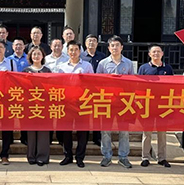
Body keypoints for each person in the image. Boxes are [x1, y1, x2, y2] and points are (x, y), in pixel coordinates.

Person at [97, 36, 134, 168]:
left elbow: (132, 83)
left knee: (124, 131)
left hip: (124, 102)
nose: (115, 48)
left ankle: (123, 157)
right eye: (112, 45)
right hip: (107, 102)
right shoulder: (102, 64)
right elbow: (97, 83)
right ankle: (106, 156)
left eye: (117, 45)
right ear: (108, 48)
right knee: (105, 130)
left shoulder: (128, 63)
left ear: (122, 47)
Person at [56, 40, 94, 168]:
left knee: (82, 131)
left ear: (80, 51)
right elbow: (59, 85)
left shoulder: (87, 66)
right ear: (67, 51)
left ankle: (80, 157)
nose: (73, 52)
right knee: (66, 130)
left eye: (76, 49)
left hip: (82, 103)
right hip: (67, 102)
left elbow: (92, 84)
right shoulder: (61, 67)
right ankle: (67, 155)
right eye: (71, 50)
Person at [138, 44, 174, 168]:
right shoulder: (143, 68)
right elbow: (139, 85)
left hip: (163, 105)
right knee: (147, 133)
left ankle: (162, 158)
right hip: (148, 104)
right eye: (153, 52)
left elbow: (173, 85)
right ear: (149, 54)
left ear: (162, 54)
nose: (156, 54)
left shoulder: (168, 68)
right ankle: (145, 157)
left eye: (158, 51)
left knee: (162, 133)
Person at [23, 46, 51, 166]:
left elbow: (51, 87)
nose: (36, 56)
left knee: (43, 132)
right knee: (31, 132)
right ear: (30, 56)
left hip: (44, 105)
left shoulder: (47, 71)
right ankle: (31, 156)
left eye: (39, 54)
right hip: (30, 105)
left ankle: (42, 157)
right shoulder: (25, 71)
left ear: (43, 56)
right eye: (34, 54)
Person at [81, 34, 107, 146]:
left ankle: (97, 137)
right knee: (85, 113)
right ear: (85, 43)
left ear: (97, 43)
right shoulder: (81, 56)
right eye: (89, 41)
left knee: (98, 113)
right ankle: (84, 137)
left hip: (98, 89)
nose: (91, 43)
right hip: (84, 90)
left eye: (94, 41)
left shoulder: (102, 56)